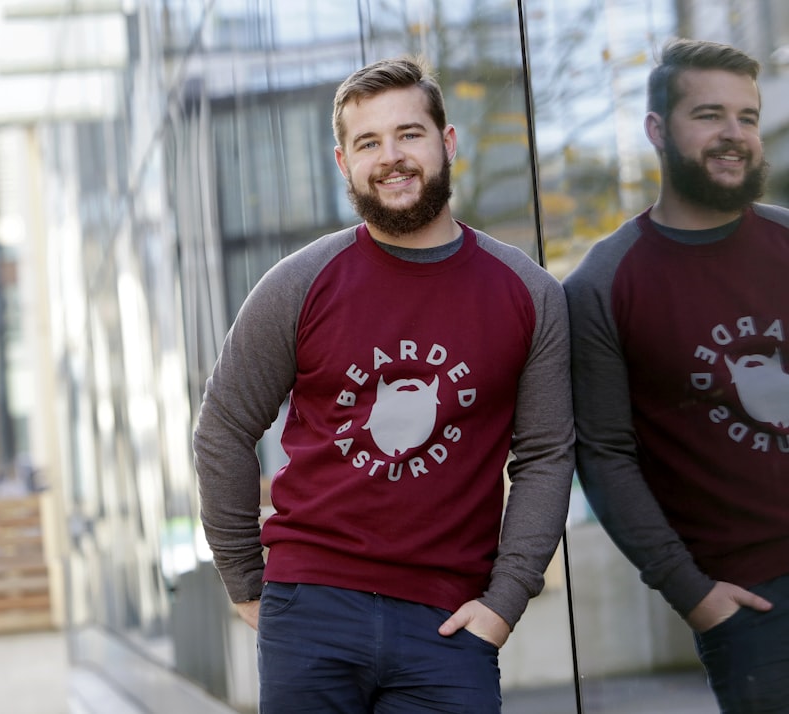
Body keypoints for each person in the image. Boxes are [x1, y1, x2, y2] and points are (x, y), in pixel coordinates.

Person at [193, 55, 574, 713]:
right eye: (368, 142)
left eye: (409, 134)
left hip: (450, 624)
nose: (390, 157)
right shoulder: (299, 283)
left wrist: (505, 601)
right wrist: (248, 586)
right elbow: (223, 429)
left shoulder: (528, 294)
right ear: (343, 163)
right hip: (310, 608)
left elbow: (545, 455)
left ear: (447, 144)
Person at [564, 38, 789, 713]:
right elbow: (603, 454)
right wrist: (689, 591)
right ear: (657, 130)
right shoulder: (604, 284)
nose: (733, 135)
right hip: (754, 606)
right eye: (710, 115)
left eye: (747, 118)